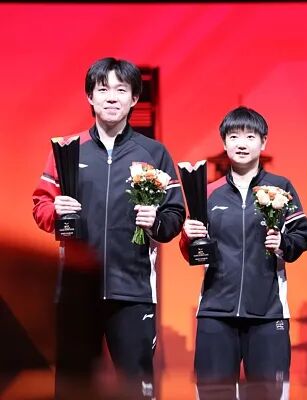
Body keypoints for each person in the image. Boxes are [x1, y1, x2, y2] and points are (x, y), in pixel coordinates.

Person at [32, 57, 185, 399]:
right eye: (103, 90)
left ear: (134, 99)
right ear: (90, 97)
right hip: (76, 291)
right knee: (72, 387)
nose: (112, 97)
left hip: (133, 292)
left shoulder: (154, 153)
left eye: (121, 89)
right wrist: (54, 210)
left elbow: (175, 214)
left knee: (137, 389)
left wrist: (156, 222)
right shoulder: (68, 151)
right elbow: (40, 206)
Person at [179, 106, 307, 385]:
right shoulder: (209, 193)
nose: (242, 143)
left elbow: (302, 236)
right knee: (213, 393)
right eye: (234, 136)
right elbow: (192, 252)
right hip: (216, 313)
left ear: (263, 143)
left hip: (268, 313)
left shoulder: (280, 188)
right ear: (224, 142)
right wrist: (188, 236)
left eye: (251, 136)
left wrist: (282, 243)